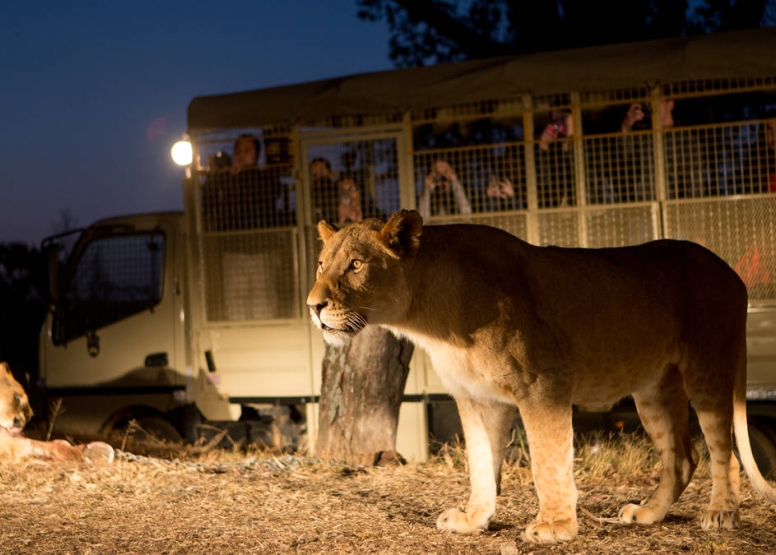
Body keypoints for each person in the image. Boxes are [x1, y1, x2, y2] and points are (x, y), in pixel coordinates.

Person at [535, 110, 575, 207]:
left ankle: (567, 202)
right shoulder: (552, 126)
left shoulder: (567, 119)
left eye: (556, 111)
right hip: (554, 162)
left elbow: (567, 142)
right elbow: (543, 144)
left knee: (568, 182)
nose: (554, 114)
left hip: (566, 159)